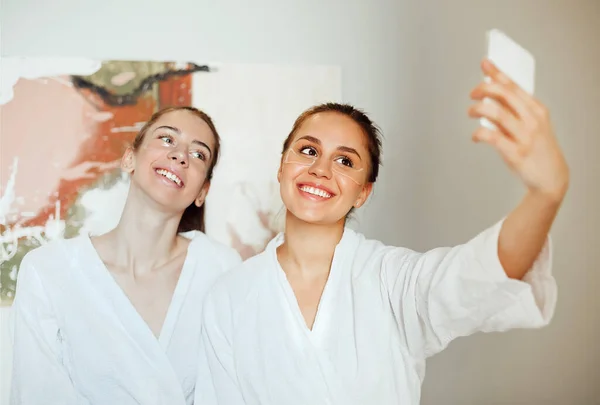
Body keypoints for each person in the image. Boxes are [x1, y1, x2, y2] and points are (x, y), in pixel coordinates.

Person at [195, 60, 569, 405]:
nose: (321, 169)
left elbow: (477, 277)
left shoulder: (394, 281)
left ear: (364, 191)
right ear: (282, 167)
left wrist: (545, 195)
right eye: (308, 150)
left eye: (345, 160)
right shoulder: (228, 298)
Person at [10, 106, 242, 405]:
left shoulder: (221, 268)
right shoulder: (48, 271)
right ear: (130, 158)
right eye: (167, 139)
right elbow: (36, 394)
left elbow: (230, 391)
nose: (181, 156)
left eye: (199, 154)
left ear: (202, 191)